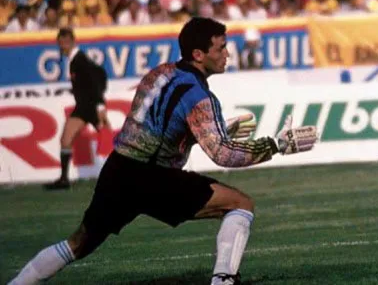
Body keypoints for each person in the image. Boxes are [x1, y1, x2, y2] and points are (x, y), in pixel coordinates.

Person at [10, 17, 318, 285]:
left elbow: (155, 130)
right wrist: (275, 145)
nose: (227, 54)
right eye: (220, 48)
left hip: (118, 170)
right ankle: (223, 282)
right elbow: (224, 156)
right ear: (199, 54)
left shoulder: (157, 74)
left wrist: (200, 134)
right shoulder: (200, 97)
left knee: (78, 243)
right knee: (241, 204)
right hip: (155, 178)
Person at [45, 28, 110, 190]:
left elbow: (97, 79)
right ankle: (64, 179)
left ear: (73, 41)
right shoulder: (75, 60)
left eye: (65, 43)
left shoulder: (80, 60)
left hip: (92, 107)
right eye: (60, 43)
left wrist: (100, 105)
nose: (62, 46)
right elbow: (100, 74)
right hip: (82, 108)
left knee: (112, 145)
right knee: (65, 140)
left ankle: (131, 176)